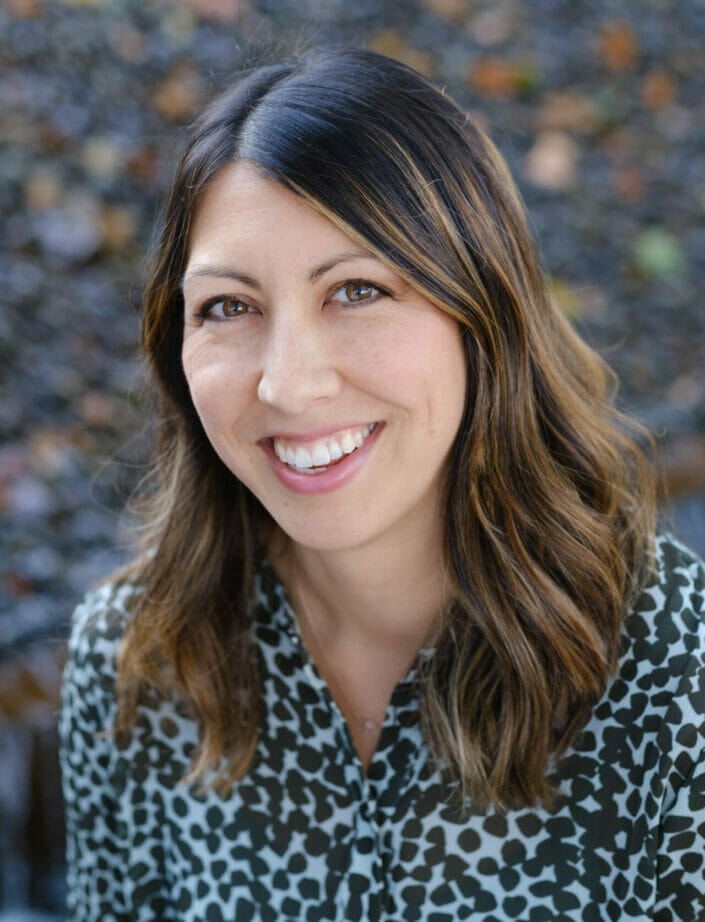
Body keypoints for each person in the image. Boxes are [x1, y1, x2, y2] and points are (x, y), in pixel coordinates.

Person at [60, 46, 705, 922]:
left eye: (356, 290)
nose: (287, 383)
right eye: (229, 307)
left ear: (480, 312)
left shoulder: (676, 665)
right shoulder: (132, 660)